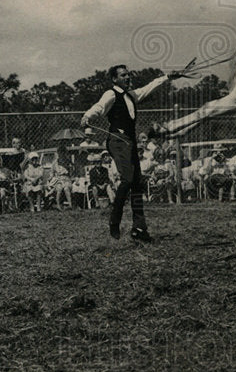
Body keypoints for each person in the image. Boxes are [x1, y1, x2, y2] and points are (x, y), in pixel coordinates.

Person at [81, 61, 195, 242]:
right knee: (126, 179)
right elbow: (99, 107)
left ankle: (139, 229)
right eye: (123, 75)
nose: (128, 77)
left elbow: (150, 87)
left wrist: (168, 77)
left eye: (128, 74)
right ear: (114, 79)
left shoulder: (132, 95)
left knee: (136, 184)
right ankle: (114, 220)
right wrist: (87, 116)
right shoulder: (111, 93)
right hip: (117, 141)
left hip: (130, 142)